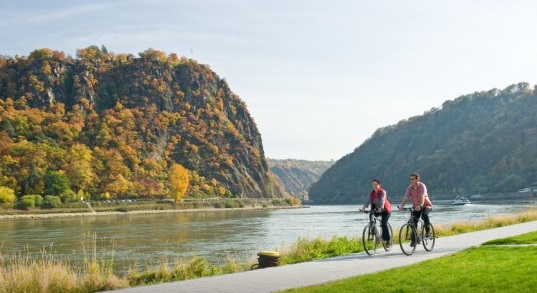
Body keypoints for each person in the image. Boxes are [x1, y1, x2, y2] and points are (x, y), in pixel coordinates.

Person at [399, 172, 433, 245]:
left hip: (426, 205)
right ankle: (414, 240)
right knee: (413, 222)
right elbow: (406, 197)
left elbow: (422, 196)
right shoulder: (410, 187)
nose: (411, 180)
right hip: (415, 207)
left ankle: (428, 232)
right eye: (410, 179)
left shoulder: (422, 186)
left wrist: (420, 205)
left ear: (417, 179)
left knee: (424, 215)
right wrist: (401, 206)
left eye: (412, 179)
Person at [359, 179, 392, 247]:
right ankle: (374, 230)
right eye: (373, 184)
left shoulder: (383, 192)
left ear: (379, 185)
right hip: (376, 210)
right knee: (371, 215)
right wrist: (363, 208)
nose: (375, 186)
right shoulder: (372, 193)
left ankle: (388, 240)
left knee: (383, 224)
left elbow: (383, 200)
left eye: (376, 184)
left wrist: (381, 207)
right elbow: (368, 201)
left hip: (385, 210)